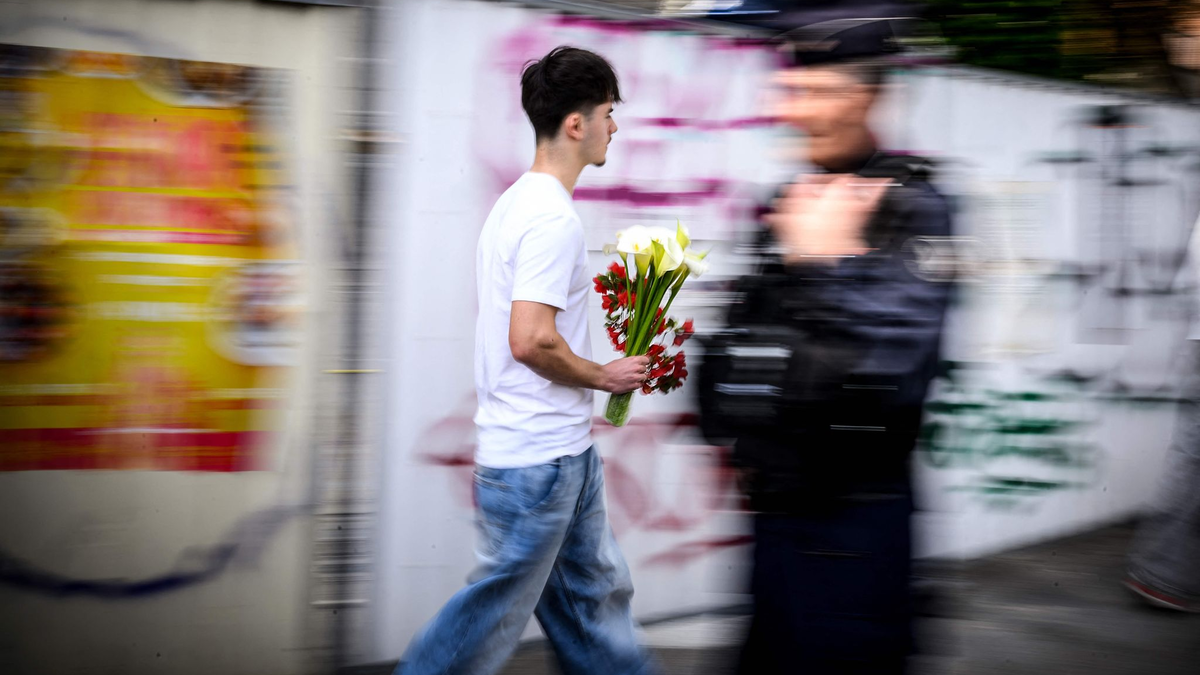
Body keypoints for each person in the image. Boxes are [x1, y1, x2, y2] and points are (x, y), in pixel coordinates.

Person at [701, 17, 954, 675]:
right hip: (774, 524)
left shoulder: (912, 208)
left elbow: (885, 379)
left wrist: (818, 268)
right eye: (788, 88)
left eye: (811, 90)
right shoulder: (783, 201)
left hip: (855, 530)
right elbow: (727, 374)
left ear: (864, 96)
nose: (786, 109)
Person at [393, 46, 658, 675]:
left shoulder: (516, 204)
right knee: (484, 623)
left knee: (593, 604)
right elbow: (531, 339)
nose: (613, 127)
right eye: (608, 114)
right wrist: (604, 374)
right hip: (538, 464)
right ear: (576, 124)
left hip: (559, 453)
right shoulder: (550, 220)